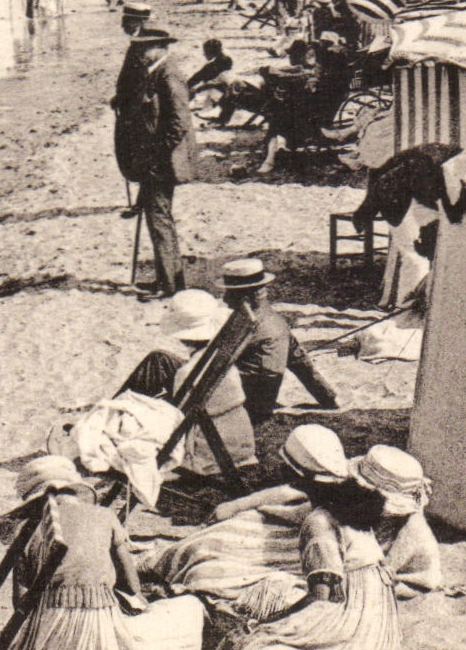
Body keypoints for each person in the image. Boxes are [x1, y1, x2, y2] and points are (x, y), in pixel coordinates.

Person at [219, 446, 441, 650]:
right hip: (381, 621)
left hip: (355, 618)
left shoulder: (323, 521)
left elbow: (321, 596)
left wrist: (275, 620)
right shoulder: (358, 514)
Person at [0, 456, 205, 650]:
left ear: (35, 501)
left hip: (45, 645)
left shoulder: (26, 529)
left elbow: (20, 603)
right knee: (188, 608)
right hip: (101, 644)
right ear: (73, 490)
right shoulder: (105, 515)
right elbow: (131, 586)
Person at [145, 424, 351, 619]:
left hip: (305, 550)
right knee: (207, 543)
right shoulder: (324, 486)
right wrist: (238, 506)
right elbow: (286, 495)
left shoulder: (331, 513)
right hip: (294, 529)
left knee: (206, 565)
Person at [118, 289, 258, 477]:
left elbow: (175, 420)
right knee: (158, 359)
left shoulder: (187, 373)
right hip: (237, 437)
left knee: (132, 406)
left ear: (183, 337)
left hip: (210, 446)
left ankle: (109, 415)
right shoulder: (218, 351)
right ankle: (114, 407)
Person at [112, 28, 196, 300]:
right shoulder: (155, 72)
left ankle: (169, 286)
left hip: (163, 163)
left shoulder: (169, 74)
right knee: (156, 218)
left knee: (159, 221)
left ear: (160, 47)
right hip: (155, 160)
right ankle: (168, 279)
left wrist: (157, 154)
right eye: (137, 49)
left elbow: (179, 123)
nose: (140, 54)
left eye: (144, 49)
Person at [221, 258, 338, 421]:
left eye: (230, 293)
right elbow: (301, 363)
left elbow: (218, 368)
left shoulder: (245, 326)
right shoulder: (276, 321)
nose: (225, 299)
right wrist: (328, 398)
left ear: (247, 296)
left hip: (249, 405)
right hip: (264, 396)